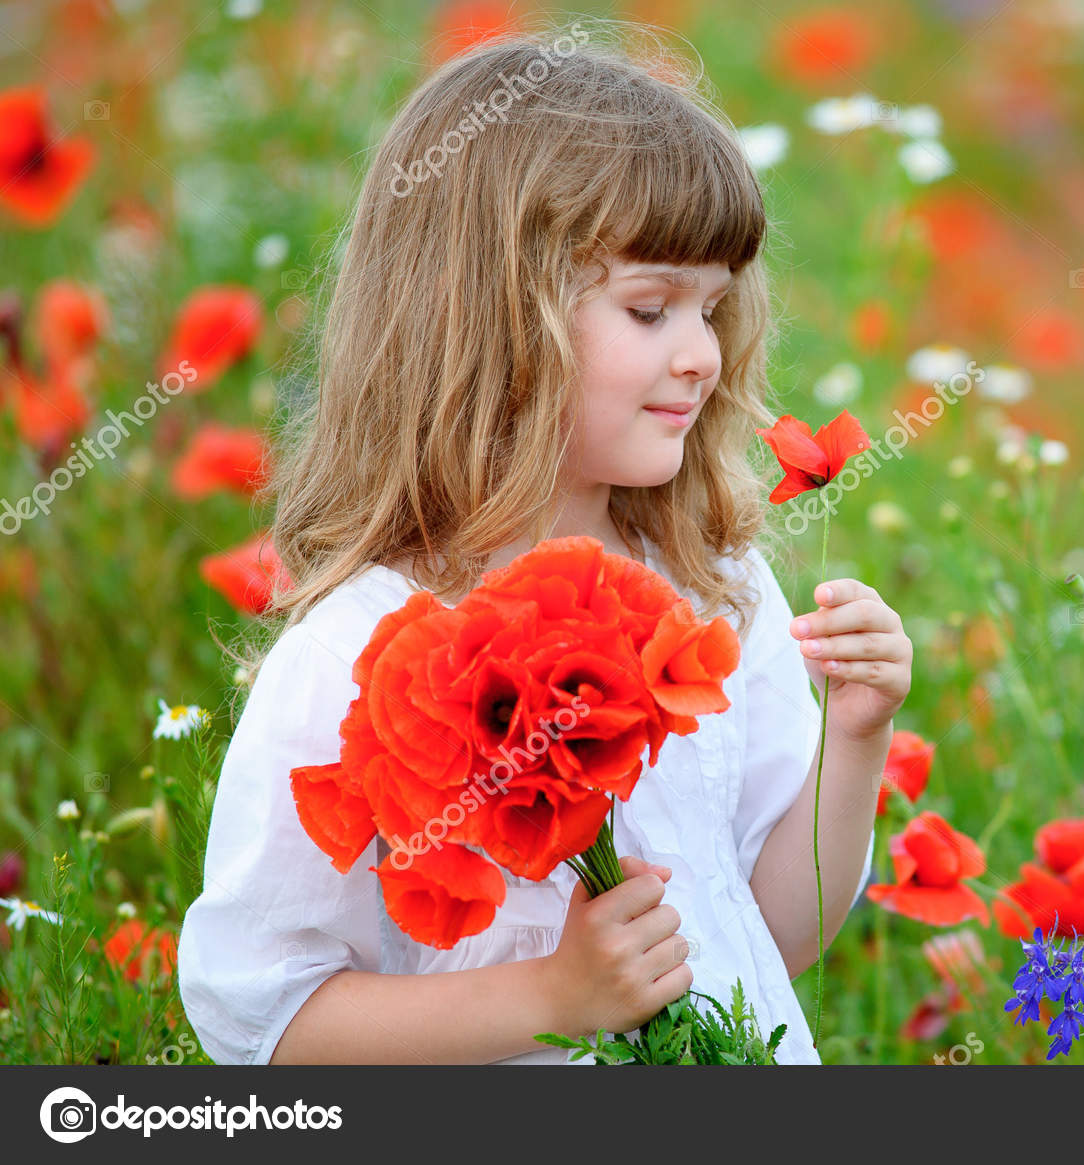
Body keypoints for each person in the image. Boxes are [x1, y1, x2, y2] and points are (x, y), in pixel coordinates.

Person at [175, 24, 912, 1066]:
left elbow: (776, 934)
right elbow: (265, 1018)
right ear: (493, 319)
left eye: (712, 308)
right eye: (650, 307)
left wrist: (858, 735)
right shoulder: (361, 647)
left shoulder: (715, 594)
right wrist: (552, 994)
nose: (701, 354)